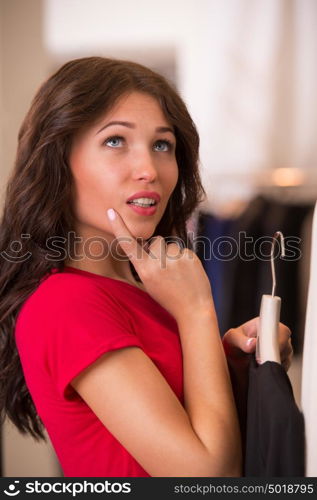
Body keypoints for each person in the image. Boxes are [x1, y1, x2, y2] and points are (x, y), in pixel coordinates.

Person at [0, 57, 292, 477]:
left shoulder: (145, 288)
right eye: (116, 141)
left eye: (162, 145)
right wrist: (196, 312)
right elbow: (206, 477)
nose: (149, 170)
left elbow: (197, 422)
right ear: (59, 161)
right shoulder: (65, 302)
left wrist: (236, 363)